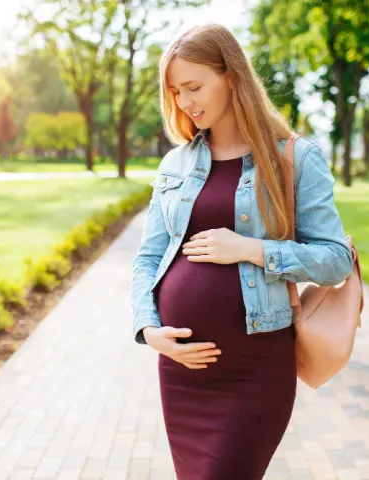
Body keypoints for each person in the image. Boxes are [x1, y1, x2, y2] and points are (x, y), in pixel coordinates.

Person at [130, 23, 353, 479]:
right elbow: (148, 259)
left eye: (194, 86)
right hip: (182, 371)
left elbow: (335, 260)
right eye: (175, 92)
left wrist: (252, 249)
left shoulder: (294, 157)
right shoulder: (176, 162)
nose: (184, 102)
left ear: (231, 76)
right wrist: (148, 330)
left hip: (254, 368)